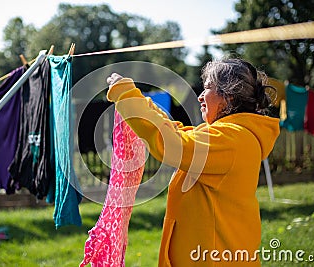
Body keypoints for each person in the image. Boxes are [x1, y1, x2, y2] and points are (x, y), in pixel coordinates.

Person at [106, 58, 280, 266]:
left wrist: (126, 96)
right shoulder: (227, 135)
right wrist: (141, 102)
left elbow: (171, 143)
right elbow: (176, 132)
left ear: (230, 97)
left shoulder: (231, 140)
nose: (199, 97)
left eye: (207, 88)